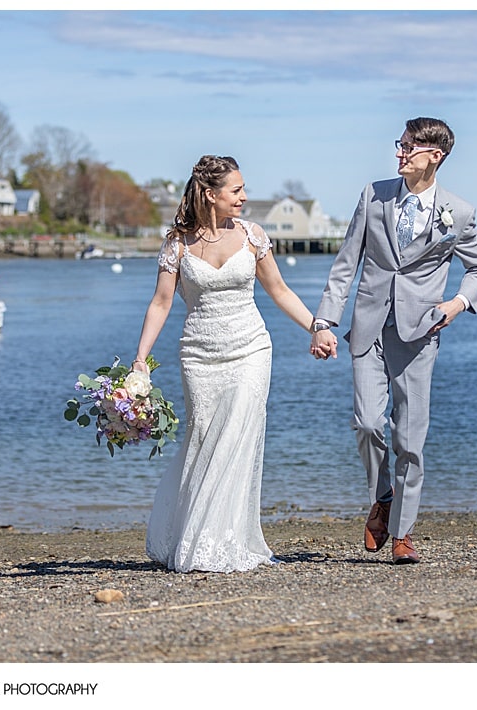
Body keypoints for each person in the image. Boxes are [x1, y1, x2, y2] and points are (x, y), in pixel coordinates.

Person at [311, 117, 477, 565]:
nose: (400, 153)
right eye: (400, 144)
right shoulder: (373, 195)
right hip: (368, 325)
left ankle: (403, 533)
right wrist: (324, 322)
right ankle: (383, 496)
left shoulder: (460, 211)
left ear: (436, 156)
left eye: (409, 147)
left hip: (420, 331)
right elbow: (345, 263)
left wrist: (456, 305)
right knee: (369, 424)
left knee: (410, 439)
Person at [132, 155, 320, 573]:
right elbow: (161, 303)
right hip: (199, 355)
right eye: (236, 190)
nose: (244, 197)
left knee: (238, 436)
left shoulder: (253, 236)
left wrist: (316, 327)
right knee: (204, 438)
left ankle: (224, 541)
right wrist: (140, 359)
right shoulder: (177, 243)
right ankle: (192, 534)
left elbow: (280, 290)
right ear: (210, 195)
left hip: (251, 349)